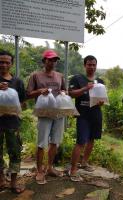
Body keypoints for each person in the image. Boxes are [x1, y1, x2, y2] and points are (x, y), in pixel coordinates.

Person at [27, 49, 66, 184]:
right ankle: (39, 171)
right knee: (42, 142)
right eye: (50, 60)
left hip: (59, 112)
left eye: (55, 60)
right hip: (44, 113)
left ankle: (50, 167)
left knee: (55, 141)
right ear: (44, 61)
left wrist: (63, 93)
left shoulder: (60, 76)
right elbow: (28, 94)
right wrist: (39, 91)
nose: (53, 62)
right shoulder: (36, 76)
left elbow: (64, 90)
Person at [68, 55, 104, 181]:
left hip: (96, 113)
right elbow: (71, 94)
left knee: (91, 139)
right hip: (82, 114)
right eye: (89, 64)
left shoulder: (100, 81)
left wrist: (101, 102)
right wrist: (85, 88)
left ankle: (84, 163)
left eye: (94, 65)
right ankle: (73, 170)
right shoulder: (77, 78)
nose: (92, 67)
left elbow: (102, 98)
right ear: (85, 65)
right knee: (81, 141)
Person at [0, 50, 26, 193]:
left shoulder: (17, 81)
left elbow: (23, 102)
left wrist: (13, 108)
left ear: (11, 64)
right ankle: (1, 180)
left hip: (13, 123)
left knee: (15, 152)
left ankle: (13, 184)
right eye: (1, 62)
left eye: (7, 62)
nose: (4, 65)